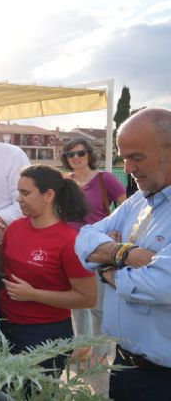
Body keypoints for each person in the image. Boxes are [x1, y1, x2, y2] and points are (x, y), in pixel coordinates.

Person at [75, 108, 171, 400]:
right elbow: (83, 239)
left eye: (137, 157)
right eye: (123, 157)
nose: (127, 167)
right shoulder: (139, 202)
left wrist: (106, 269)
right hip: (124, 366)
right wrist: (123, 253)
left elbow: (162, 285)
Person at [0, 165, 96, 378]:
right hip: (5, 325)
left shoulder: (69, 241)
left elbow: (87, 298)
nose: (19, 199)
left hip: (45, 333)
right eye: (18, 192)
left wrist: (33, 295)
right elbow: (3, 272)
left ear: (49, 195)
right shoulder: (15, 228)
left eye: (25, 193)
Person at [61, 137, 126, 364]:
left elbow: (125, 206)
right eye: (71, 154)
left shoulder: (104, 178)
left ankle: (101, 352)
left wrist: (116, 237)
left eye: (80, 153)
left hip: (98, 249)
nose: (76, 158)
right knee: (77, 303)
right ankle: (82, 345)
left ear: (89, 154)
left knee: (98, 305)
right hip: (70, 249)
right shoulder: (65, 183)